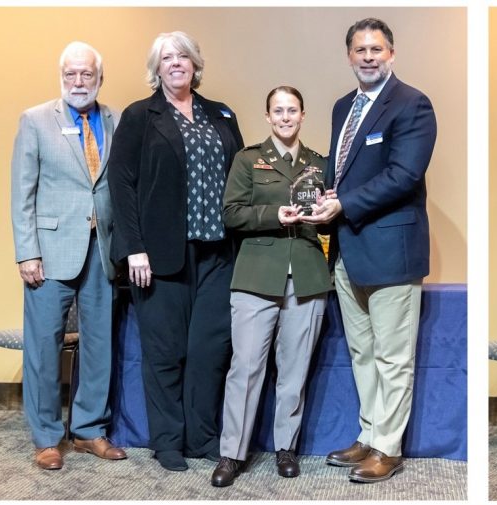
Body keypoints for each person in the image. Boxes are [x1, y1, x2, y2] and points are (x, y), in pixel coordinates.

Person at [303, 17, 437, 483]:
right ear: (349, 56)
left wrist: (343, 203)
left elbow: (404, 175)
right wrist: (325, 196)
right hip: (347, 250)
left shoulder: (412, 104)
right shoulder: (344, 106)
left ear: (392, 53)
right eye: (359, 49)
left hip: (391, 252)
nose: (367, 56)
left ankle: (388, 447)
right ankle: (369, 433)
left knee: (393, 356)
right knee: (362, 352)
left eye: (376, 49)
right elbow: (345, 171)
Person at [108, 31, 244, 472]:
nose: (176, 63)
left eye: (182, 55)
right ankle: (167, 442)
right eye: (167, 57)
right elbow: (121, 186)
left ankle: (201, 437)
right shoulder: (139, 116)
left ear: (194, 63)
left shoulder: (221, 114)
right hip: (160, 256)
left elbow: (240, 180)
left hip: (217, 254)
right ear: (157, 68)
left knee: (209, 350)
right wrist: (134, 249)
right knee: (165, 352)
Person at [11, 41, 126, 471]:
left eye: (87, 74)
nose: (79, 82)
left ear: (100, 78)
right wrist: (27, 253)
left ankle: (89, 430)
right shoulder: (36, 120)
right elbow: (22, 192)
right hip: (49, 252)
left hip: (102, 251)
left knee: (100, 345)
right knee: (43, 347)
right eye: (71, 74)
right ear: (61, 76)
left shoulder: (115, 120)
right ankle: (45, 438)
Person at [209, 86, 330, 487]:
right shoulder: (248, 160)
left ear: (302, 114)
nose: (285, 117)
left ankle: (286, 448)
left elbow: (330, 218)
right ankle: (232, 454)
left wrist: (326, 215)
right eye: (278, 111)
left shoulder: (318, 164)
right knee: (245, 368)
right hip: (256, 276)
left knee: (294, 372)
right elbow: (231, 213)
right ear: (267, 117)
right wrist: (273, 214)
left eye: (292, 110)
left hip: (308, 276)